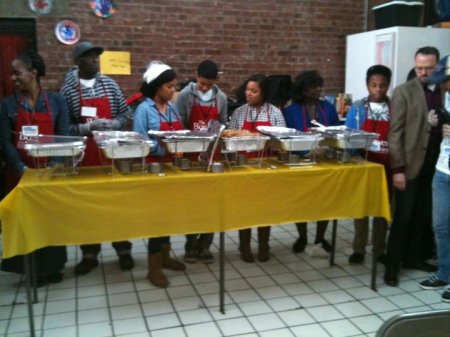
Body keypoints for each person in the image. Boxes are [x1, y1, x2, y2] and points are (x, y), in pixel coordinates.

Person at [60, 41, 134, 276]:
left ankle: (123, 250)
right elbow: (63, 128)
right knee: (87, 207)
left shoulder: (110, 84)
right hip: (84, 157)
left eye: (97, 56)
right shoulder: (68, 90)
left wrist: (115, 123)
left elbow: (125, 112)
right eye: (90, 56)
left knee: (117, 206)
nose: (95, 60)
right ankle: (89, 254)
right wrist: (86, 127)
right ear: (78, 61)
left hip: (109, 154)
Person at [0, 50, 69, 286]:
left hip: (51, 173)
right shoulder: (8, 105)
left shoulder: (57, 101)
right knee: (25, 221)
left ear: (34, 72)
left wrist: (53, 166)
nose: (14, 78)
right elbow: (4, 141)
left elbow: (64, 137)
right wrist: (21, 168)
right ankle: (27, 269)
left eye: (17, 72)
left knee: (51, 219)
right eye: (12, 74)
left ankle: (51, 268)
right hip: (21, 173)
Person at [384, 46, 442, 287]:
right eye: (419, 68)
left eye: (428, 68)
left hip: (437, 164)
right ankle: (391, 266)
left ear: (438, 67)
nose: (423, 72)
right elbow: (395, 133)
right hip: (409, 165)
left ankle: (414, 258)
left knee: (423, 215)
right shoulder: (403, 92)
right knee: (403, 217)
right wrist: (397, 169)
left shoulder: (444, 90)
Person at [133, 61, 186, 287]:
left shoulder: (172, 109)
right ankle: (153, 267)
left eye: (174, 86)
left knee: (168, 215)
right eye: (169, 87)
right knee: (156, 218)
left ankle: (165, 257)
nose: (173, 91)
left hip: (171, 168)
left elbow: (180, 132)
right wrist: (160, 147)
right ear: (156, 87)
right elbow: (139, 143)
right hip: (153, 169)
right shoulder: (143, 110)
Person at [228, 74, 286, 263]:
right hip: (243, 166)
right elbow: (229, 137)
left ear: (264, 93)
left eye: (254, 91)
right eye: (247, 90)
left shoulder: (275, 113)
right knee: (245, 208)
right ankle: (244, 245)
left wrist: (271, 142)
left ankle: (263, 244)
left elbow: (281, 141)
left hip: (266, 166)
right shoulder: (239, 112)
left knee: (264, 208)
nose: (249, 94)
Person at [175, 60, 228, 264]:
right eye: (201, 83)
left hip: (212, 154)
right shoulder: (186, 95)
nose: (204, 87)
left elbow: (222, 122)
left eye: (208, 84)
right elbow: (180, 122)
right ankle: (191, 245)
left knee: (212, 203)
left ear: (215, 81)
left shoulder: (221, 97)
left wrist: (217, 135)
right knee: (193, 204)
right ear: (196, 76)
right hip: (191, 153)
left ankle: (205, 245)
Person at [282, 70, 339, 255]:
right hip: (301, 161)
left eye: (318, 86)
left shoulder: (328, 108)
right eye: (313, 87)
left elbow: (337, 131)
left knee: (326, 201)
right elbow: (288, 138)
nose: (317, 90)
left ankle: (320, 237)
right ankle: (302, 236)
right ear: (303, 89)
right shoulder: (290, 111)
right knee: (302, 202)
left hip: (326, 161)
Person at [345, 65, 392, 264]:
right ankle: (359, 248)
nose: (378, 89)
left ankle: (380, 249)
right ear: (367, 85)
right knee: (361, 207)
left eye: (382, 85)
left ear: (388, 86)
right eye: (374, 85)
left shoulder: (395, 107)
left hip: (387, 165)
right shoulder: (357, 107)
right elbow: (348, 136)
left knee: (383, 209)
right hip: (363, 164)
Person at [418, 54, 450, 302]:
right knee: (440, 226)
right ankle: (444, 272)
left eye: (446, 80)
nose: (442, 85)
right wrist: (433, 125)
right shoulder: (445, 95)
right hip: (443, 170)